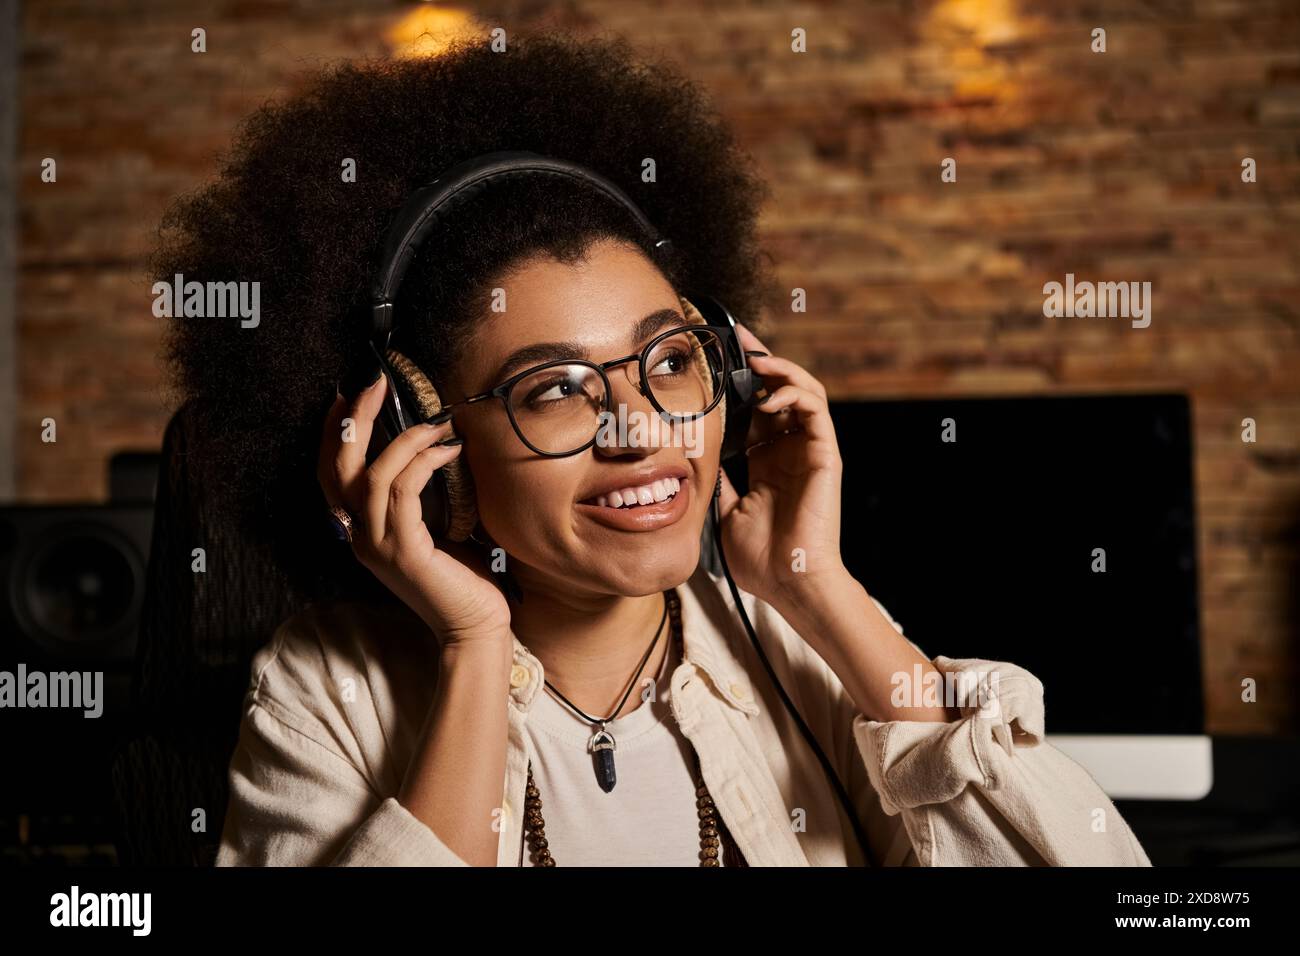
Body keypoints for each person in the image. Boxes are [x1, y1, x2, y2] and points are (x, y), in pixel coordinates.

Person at [155, 32, 1151, 867]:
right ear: (428, 444)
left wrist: (818, 589)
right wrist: (472, 649)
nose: (643, 429)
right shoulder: (329, 684)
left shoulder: (789, 635)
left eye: (669, 362)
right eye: (552, 389)